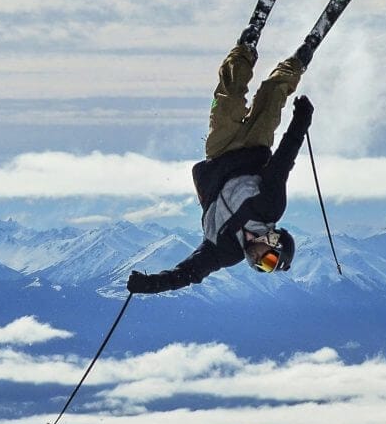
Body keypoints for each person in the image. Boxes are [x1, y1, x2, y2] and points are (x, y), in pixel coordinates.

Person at [126, 34, 314, 295]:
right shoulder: (270, 208)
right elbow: (283, 160)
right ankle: (296, 63)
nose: (258, 263)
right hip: (254, 148)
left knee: (229, 97)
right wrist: (301, 121)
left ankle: (243, 51)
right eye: (268, 260)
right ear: (274, 242)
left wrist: (151, 285)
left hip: (221, 151)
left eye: (263, 268)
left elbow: (190, 272)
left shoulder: (225, 250)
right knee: (272, 96)